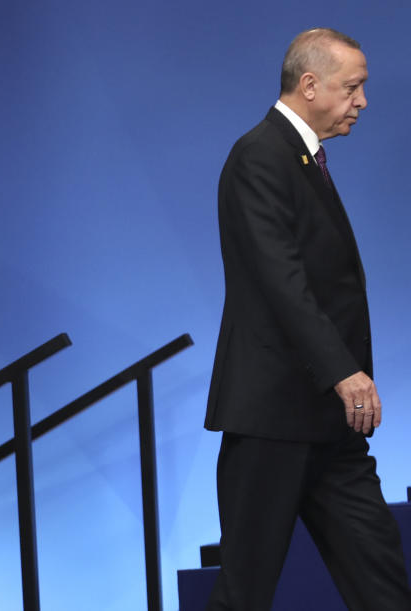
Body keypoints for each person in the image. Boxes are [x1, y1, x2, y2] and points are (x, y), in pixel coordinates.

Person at [205, 28, 411, 610]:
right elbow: (280, 282)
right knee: (245, 592)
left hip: (329, 423)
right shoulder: (259, 155)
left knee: (381, 580)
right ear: (310, 84)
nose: (362, 102)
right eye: (353, 87)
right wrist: (343, 372)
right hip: (274, 418)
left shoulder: (302, 158)